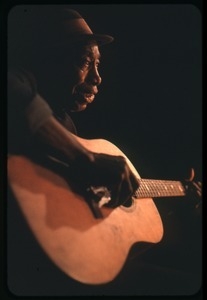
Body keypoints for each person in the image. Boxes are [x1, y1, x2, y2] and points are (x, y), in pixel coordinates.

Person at [7, 5, 202, 297]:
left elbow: (106, 250)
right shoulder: (16, 80)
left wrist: (178, 196)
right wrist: (85, 158)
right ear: (45, 60)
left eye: (99, 65)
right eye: (85, 61)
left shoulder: (66, 124)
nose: (97, 78)